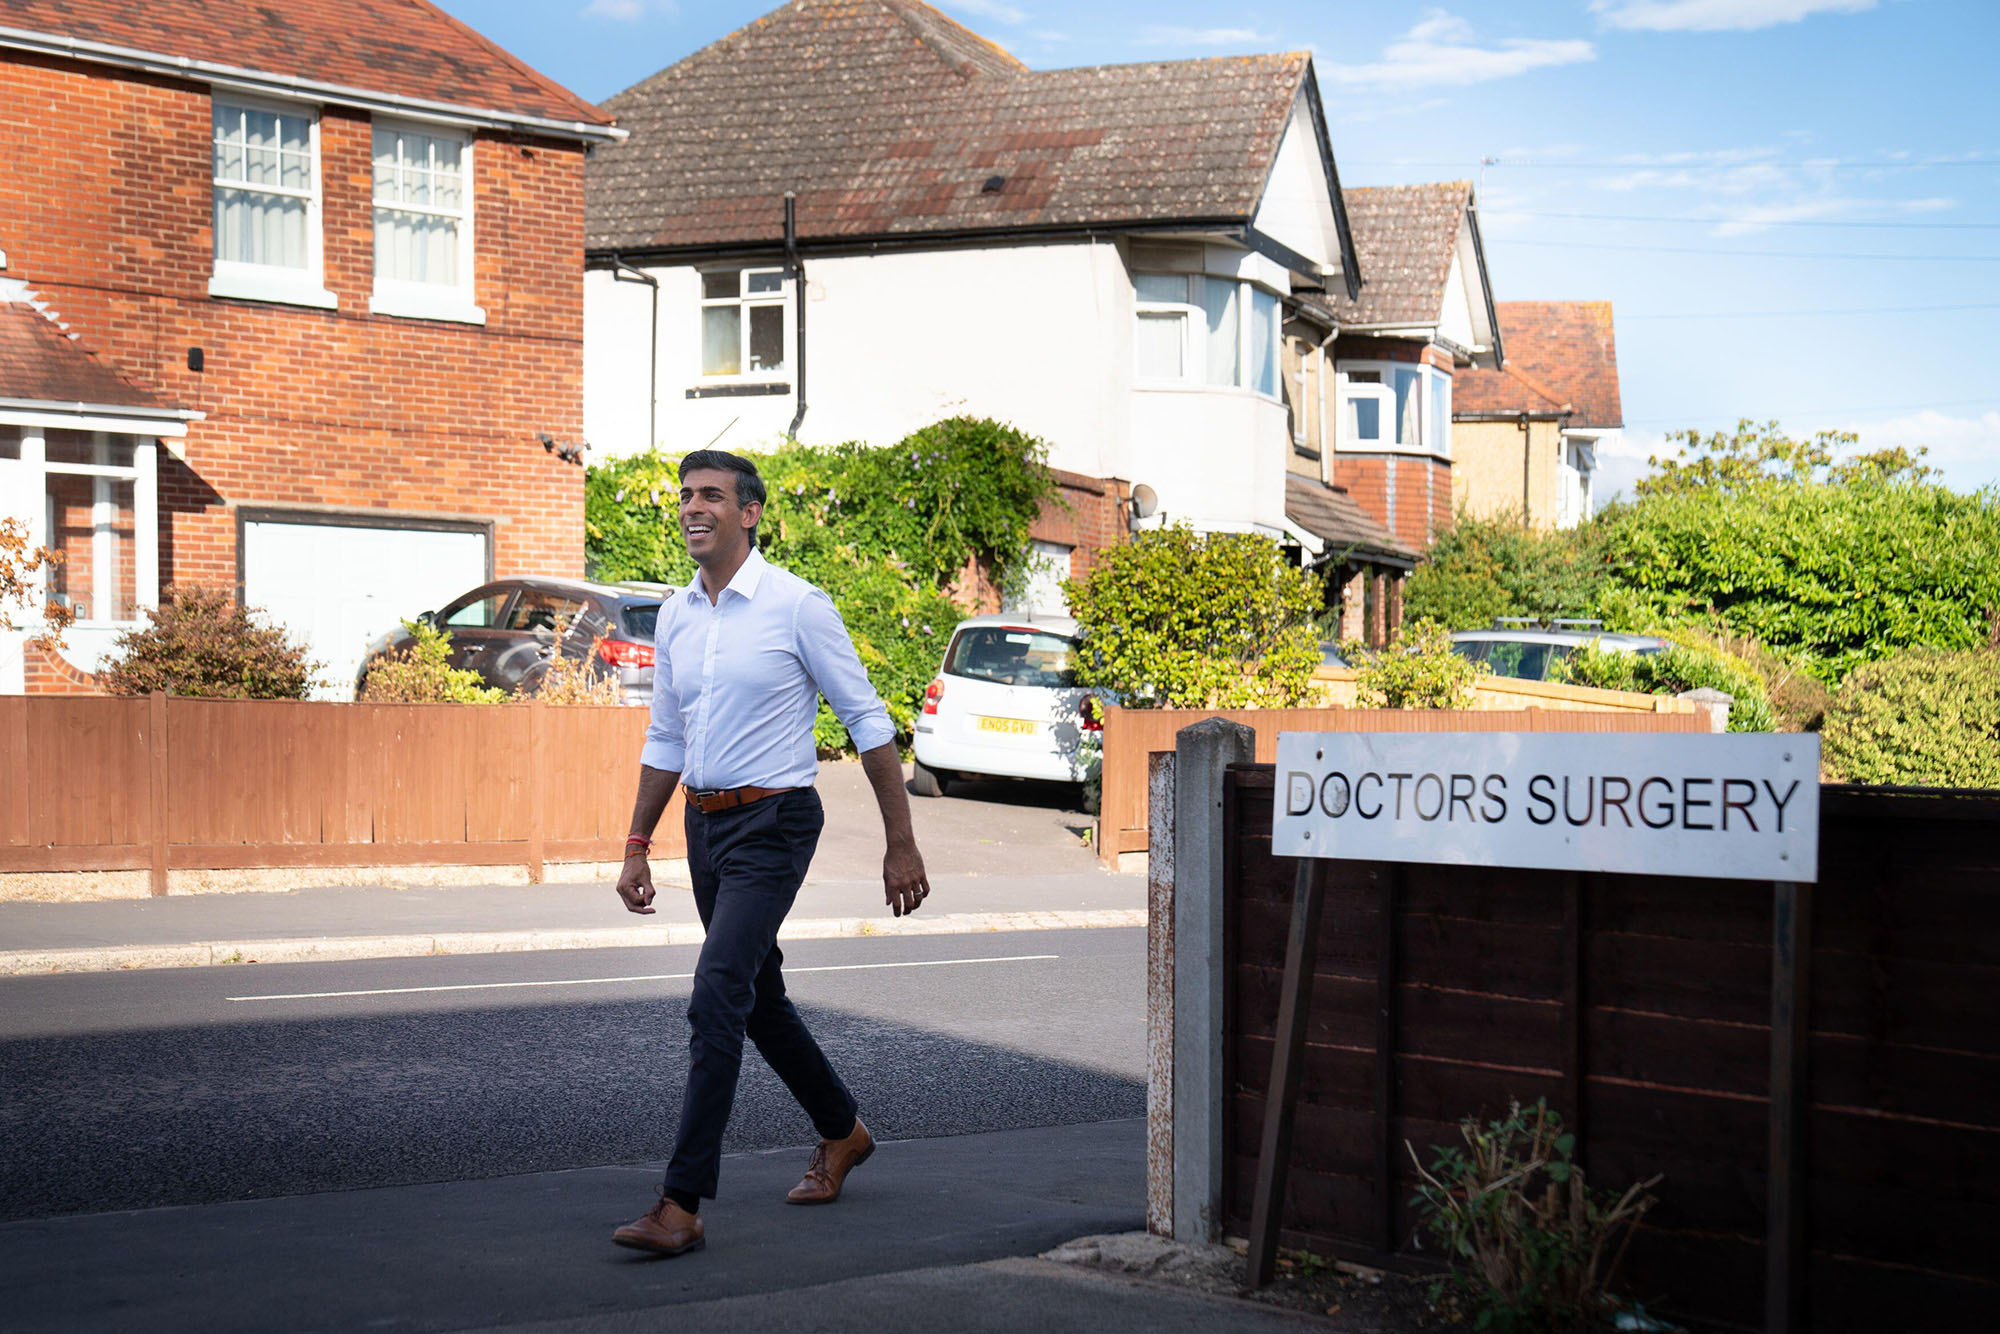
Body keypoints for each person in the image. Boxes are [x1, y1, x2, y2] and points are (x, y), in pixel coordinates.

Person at [611, 449, 931, 1258]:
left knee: (717, 991)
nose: (693, 507)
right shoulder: (679, 614)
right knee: (756, 997)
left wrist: (901, 842)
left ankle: (679, 1204)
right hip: (705, 826)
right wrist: (637, 844)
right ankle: (842, 1130)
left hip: (777, 823)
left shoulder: (797, 605)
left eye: (711, 495)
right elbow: (667, 736)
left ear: (748, 512)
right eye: (685, 495)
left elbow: (867, 721)